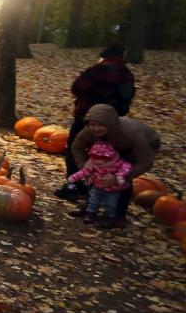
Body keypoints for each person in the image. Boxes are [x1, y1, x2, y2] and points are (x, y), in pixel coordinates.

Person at [56, 45, 136, 200]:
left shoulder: (99, 69)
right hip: (112, 122)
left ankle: (74, 186)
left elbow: (77, 88)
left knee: (76, 149)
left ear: (104, 56)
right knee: (103, 156)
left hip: (88, 117)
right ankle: (95, 190)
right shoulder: (128, 74)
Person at [67, 104, 160, 227]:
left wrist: (120, 178)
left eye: (101, 125)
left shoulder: (131, 134)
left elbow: (145, 161)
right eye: (92, 124)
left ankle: (119, 214)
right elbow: (76, 147)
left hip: (140, 146)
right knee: (97, 172)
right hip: (108, 145)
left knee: (122, 179)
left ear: (111, 124)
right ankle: (89, 208)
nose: (96, 128)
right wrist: (85, 167)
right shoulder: (89, 131)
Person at [65, 141, 132, 228]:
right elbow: (85, 171)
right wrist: (74, 177)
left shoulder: (117, 163)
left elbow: (127, 167)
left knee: (110, 204)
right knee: (93, 201)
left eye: (101, 158)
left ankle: (109, 217)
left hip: (113, 189)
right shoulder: (93, 162)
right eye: (95, 158)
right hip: (97, 186)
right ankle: (90, 214)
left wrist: (120, 176)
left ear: (109, 157)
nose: (98, 161)